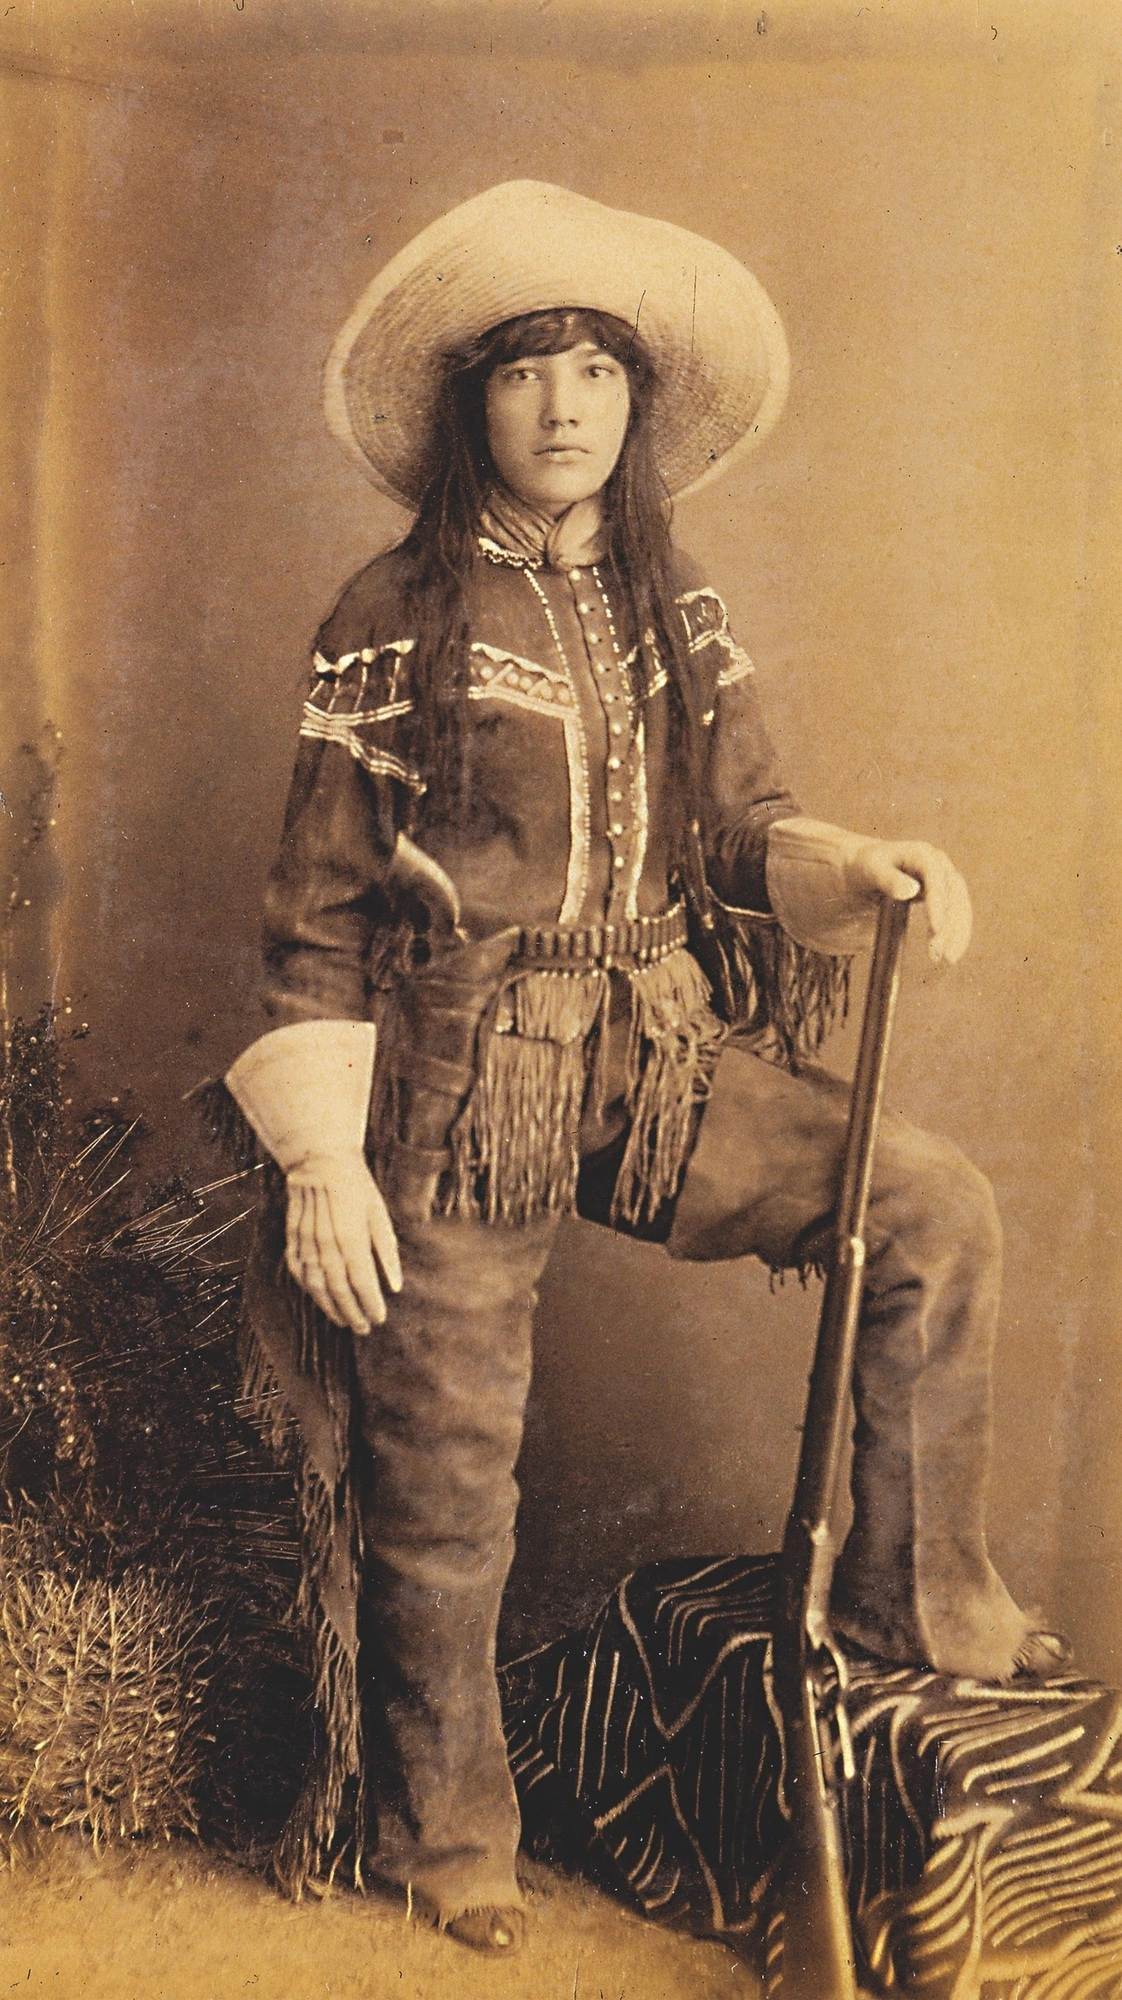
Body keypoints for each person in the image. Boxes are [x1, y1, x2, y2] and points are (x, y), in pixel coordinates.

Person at [221, 181, 1061, 1955]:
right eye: (526, 369)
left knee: (924, 1204)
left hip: (660, 1055)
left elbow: (743, 827)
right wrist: (323, 1157)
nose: (563, 406)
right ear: (473, 403)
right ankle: (442, 1830)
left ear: (633, 401)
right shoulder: (393, 613)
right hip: (458, 1085)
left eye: (595, 369)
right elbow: (316, 905)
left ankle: (923, 1607)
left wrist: (861, 867)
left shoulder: (678, 608)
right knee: (445, 1469)